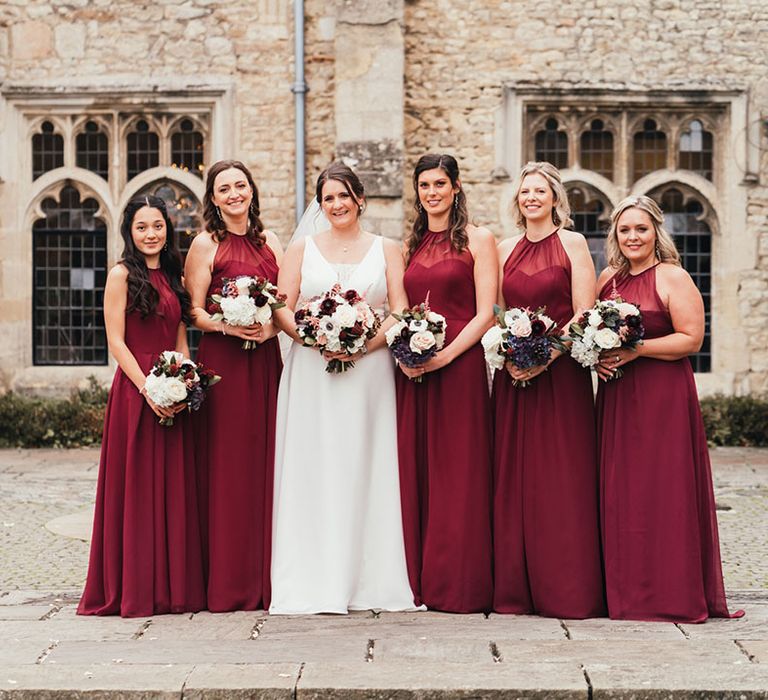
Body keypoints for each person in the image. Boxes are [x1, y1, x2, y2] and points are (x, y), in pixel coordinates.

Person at [269, 162, 418, 614]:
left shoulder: (387, 248)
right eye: (328, 198)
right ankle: (312, 576)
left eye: (343, 196)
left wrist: (362, 345)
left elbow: (399, 310)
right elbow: (281, 307)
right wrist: (315, 340)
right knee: (315, 466)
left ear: (360, 200)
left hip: (370, 373)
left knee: (365, 464)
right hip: (312, 373)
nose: (336, 205)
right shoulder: (301, 248)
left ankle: (370, 577)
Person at [596, 195, 743, 622]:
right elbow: (592, 330)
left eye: (641, 229)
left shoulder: (673, 277)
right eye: (625, 230)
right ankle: (626, 594)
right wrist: (600, 356)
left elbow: (691, 339)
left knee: (664, 490)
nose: (632, 237)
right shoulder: (609, 279)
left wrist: (635, 350)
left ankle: (670, 593)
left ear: (656, 232)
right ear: (615, 235)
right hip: (618, 396)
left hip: (663, 397)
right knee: (622, 492)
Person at [78, 196, 205, 617]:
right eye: (141, 227)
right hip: (137, 390)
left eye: (157, 226)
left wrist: (185, 379)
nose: (151, 234)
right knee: (138, 490)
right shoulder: (120, 275)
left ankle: (174, 590)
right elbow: (116, 341)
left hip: (173, 383)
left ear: (167, 228)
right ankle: (136, 588)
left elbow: (181, 335)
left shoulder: (172, 274)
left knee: (173, 487)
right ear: (129, 232)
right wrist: (150, 389)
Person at [492, 162, 605, 618]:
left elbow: (584, 310)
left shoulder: (573, 244)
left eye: (540, 191)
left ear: (556, 198)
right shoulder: (502, 249)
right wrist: (512, 355)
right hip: (513, 377)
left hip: (560, 376)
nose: (532, 198)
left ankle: (567, 590)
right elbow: (494, 310)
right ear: (517, 200)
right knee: (514, 479)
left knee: (562, 479)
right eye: (525, 192)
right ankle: (515, 591)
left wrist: (546, 356)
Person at [395, 153, 496, 613]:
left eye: (439, 184)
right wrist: (407, 355)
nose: (431, 193)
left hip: (459, 368)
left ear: (456, 188)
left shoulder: (479, 239)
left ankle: (458, 584)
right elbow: (400, 309)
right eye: (424, 186)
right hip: (415, 372)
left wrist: (447, 356)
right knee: (418, 471)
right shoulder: (409, 245)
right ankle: (417, 579)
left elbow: (485, 312)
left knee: (460, 473)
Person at [184, 160, 283, 612]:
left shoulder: (271, 241)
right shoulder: (205, 244)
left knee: (268, 464)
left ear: (251, 190)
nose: (234, 194)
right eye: (224, 188)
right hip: (225, 365)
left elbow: (283, 305)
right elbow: (196, 313)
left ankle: (270, 577)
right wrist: (231, 325)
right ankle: (228, 581)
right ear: (214, 198)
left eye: (241, 185)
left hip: (264, 362)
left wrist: (268, 330)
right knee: (228, 469)